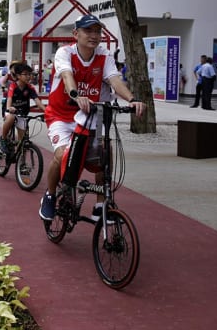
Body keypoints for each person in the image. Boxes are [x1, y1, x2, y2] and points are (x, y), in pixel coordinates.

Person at [39, 14, 145, 222]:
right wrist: (76, 95)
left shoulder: (104, 55)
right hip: (61, 115)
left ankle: (100, 204)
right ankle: (50, 195)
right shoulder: (65, 53)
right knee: (63, 156)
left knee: (105, 152)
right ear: (76, 34)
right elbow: (68, 76)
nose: (94, 36)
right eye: (89, 31)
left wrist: (132, 99)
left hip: (90, 116)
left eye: (98, 31)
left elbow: (114, 80)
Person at [0, 63, 47, 153]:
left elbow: (38, 101)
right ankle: (3, 139)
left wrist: (47, 111)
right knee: (11, 118)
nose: (29, 76)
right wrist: (9, 108)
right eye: (26, 74)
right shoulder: (13, 86)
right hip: (11, 112)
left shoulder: (30, 88)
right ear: (18, 76)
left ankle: (21, 163)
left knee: (23, 143)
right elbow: (9, 99)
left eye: (30, 74)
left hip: (23, 114)